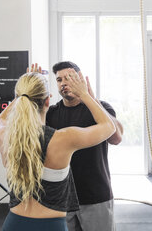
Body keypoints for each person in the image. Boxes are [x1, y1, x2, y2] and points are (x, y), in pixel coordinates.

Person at [0, 70, 115, 231]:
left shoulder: (5, 135)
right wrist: (85, 94)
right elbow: (109, 127)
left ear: (19, 99)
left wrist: (22, 94)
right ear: (47, 101)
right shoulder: (63, 139)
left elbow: (1, 119)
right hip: (51, 226)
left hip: (14, 223)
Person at [46, 61, 123, 231]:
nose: (64, 83)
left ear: (80, 79)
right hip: (62, 198)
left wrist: (91, 98)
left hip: (96, 194)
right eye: (59, 80)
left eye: (69, 78)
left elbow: (116, 138)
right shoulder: (51, 113)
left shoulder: (100, 108)